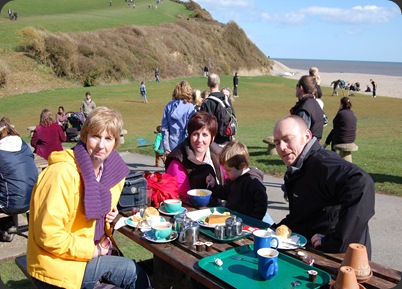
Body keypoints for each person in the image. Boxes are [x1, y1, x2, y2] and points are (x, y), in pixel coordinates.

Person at [27, 107, 151, 289]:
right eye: (95, 136)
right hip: (55, 264)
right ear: (85, 136)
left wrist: (108, 212)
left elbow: (92, 213)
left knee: (136, 273)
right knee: (132, 271)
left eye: (108, 139)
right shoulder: (61, 174)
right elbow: (49, 235)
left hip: (81, 256)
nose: (101, 145)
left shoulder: (110, 170)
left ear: (115, 142)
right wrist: (94, 250)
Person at [273, 115, 375, 258]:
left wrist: (336, 241)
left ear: (307, 136)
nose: (282, 147)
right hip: (314, 251)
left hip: (343, 259)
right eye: (277, 142)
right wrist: (273, 230)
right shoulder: (297, 168)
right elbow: (302, 214)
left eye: (287, 139)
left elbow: (361, 183)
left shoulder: (322, 163)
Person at [165, 111, 225, 205]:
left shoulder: (220, 155)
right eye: (195, 134)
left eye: (205, 135)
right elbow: (182, 198)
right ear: (189, 135)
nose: (199, 140)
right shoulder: (177, 162)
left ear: (212, 138)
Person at [205, 141, 268, 220]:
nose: (226, 173)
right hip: (232, 219)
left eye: (228, 170)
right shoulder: (232, 178)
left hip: (247, 222)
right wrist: (214, 185)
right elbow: (225, 194)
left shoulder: (253, 182)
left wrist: (253, 220)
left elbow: (261, 204)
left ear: (242, 166)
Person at [0, 118, 38, 242]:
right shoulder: (23, 144)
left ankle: (5, 228)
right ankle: (9, 224)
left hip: (12, 203)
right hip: (32, 198)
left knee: (8, 186)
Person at [200, 73, 236, 146]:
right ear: (219, 84)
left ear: (208, 84)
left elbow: (203, 124)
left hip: (214, 142)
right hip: (228, 138)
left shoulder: (207, 102)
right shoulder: (226, 99)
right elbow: (233, 116)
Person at [161, 80, 195, 154]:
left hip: (171, 144)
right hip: (185, 145)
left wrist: (166, 147)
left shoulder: (168, 106)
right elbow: (188, 129)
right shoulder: (190, 107)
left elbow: (164, 128)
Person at [290, 75, 324, 141]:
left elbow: (302, 134)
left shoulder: (304, 109)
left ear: (301, 88)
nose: (296, 88)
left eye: (297, 86)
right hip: (314, 145)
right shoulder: (315, 103)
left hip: (308, 147)